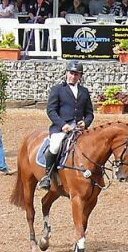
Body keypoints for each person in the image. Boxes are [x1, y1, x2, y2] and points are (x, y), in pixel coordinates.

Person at [40, 61, 94, 190]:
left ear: (80, 76)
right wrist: (63, 125)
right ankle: (47, 176)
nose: (73, 76)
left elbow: (90, 113)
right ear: (66, 73)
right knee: (55, 146)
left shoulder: (84, 91)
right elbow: (51, 111)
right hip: (61, 128)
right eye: (71, 73)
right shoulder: (58, 89)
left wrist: (85, 122)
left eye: (77, 74)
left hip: (79, 129)